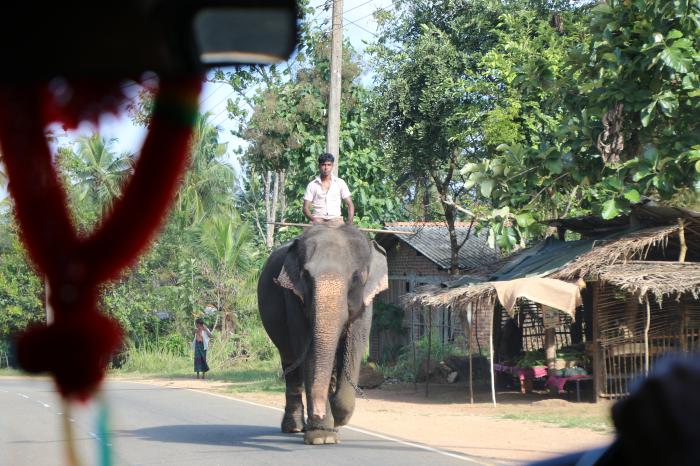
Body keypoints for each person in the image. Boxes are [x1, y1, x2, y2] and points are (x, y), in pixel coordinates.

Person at [303, 153, 354, 225]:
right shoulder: (312, 185)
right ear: (319, 166)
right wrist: (314, 220)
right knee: (306, 232)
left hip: (336, 221)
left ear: (332, 166)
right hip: (317, 220)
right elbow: (305, 208)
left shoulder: (340, 183)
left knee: (350, 232)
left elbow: (350, 204)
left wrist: (350, 222)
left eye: (329, 165)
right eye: (323, 165)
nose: (326, 168)